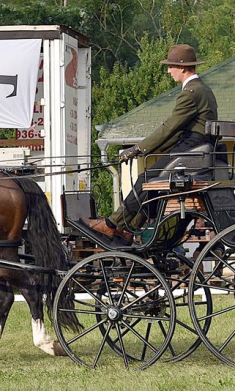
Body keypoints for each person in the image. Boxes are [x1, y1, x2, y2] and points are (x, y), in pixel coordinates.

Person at [82, 44, 218, 244]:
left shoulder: (190, 93)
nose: (168, 71)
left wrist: (138, 149)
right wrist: (145, 151)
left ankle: (111, 225)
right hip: (194, 148)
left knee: (146, 179)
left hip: (191, 150)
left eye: (170, 66)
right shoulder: (202, 89)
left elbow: (169, 128)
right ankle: (128, 228)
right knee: (149, 181)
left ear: (181, 68)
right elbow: (177, 131)